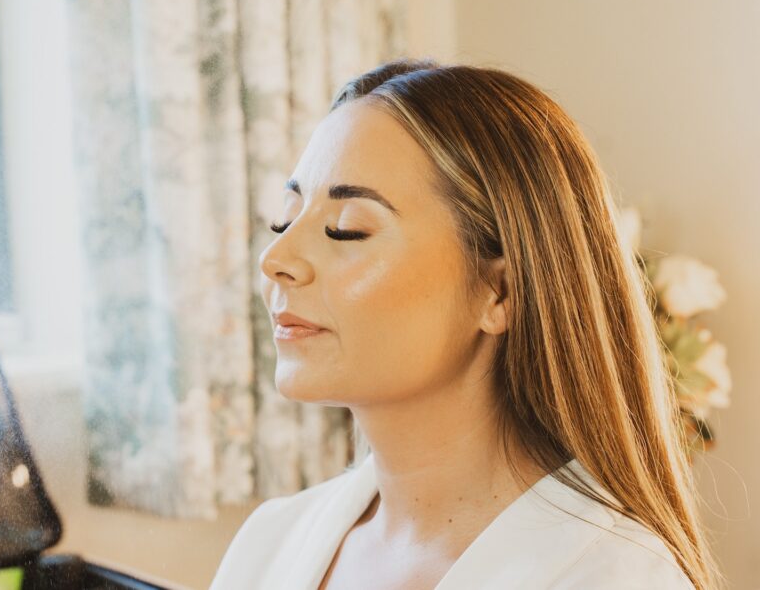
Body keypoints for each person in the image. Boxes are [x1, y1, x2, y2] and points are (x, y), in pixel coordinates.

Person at [208, 59, 720, 590]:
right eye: (284, 220)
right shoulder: (269, 543)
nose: (276, 257)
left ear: (498, 291)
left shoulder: (614, 577)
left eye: (347, 230)